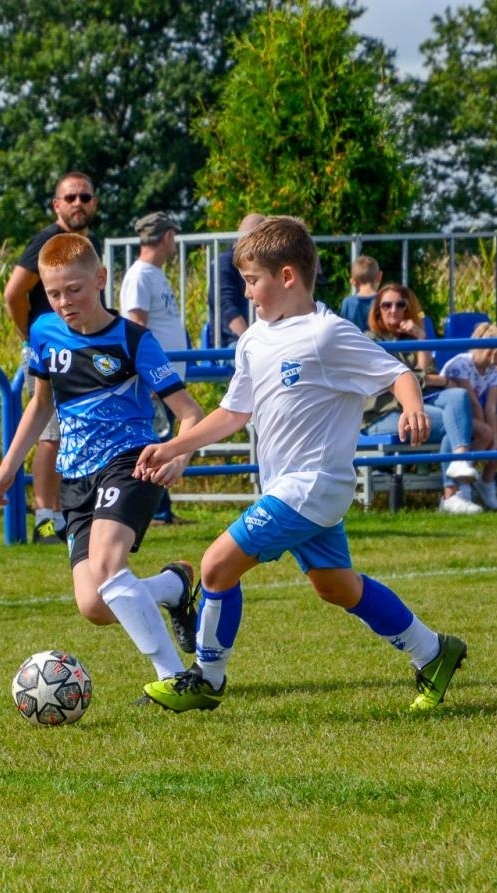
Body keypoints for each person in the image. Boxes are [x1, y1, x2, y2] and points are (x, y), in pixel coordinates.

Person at [135, 216, 467, 714]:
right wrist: (178, 447)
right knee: (335, 586)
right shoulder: (254, 340)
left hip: (312, 485)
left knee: (216, 566)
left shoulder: (325, 334)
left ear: (287, 276)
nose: (248, 293)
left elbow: (395, 373)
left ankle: (207, 678)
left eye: (253, 281)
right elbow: (234, 412)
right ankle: (434, 652)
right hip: (289, 489)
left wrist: (413, 405)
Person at [0, 233, 206, 688]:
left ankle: (176, 679)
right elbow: (42, 403)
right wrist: (7, 469)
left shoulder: (133, 339)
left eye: (75, 289)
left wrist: (179, 455)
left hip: (130, 462)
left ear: (100, 279)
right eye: (54, 292)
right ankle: (174, 587)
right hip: (75, 478)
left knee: (107, 568)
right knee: (96, 605)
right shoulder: (44, 332)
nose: (65, 301)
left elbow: (190, 413)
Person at [3, 171, 101, 544]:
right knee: (51, 435)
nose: (79, 203)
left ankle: (73, 513)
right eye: (71, 197)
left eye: (85, 197)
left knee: (76, 430)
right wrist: (32, 338)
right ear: (56, 205)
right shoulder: (47, 240)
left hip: (83, 350)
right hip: (51, 352)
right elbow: (14, 292)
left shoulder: (84, 244)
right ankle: (45, 519)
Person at [364, 282, 486, 513]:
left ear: (407, 308)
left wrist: (421, 337)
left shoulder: (408, 338)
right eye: (386, 305)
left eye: (400, 304)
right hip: (382, 413)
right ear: (377, 310)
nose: (393, 310)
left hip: (413, 406)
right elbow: (401, 377)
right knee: (458, 423)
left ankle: (459, 463)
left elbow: (425, 371)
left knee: (458, 396)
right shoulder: (369, 339)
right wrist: (439, 380)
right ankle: (451, 495)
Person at [117, 210, 188, 524]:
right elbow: (136, 328)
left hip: (166, 379)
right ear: (167, 237)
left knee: (161, 443)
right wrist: (149, 381)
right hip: (155, 381)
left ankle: (162, 511)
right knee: (155, 444)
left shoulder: (152, 274)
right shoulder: (140, 275)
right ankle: (155, 512)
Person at [439, 323, 497, 511]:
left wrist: (495, 444)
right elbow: (473, 403)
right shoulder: (461, 364)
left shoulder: (494, 373)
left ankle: (486, 481)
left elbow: (491, 407)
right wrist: (489, 436)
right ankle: (462, 486)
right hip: (452, 413)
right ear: (495, 351)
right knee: (483, 432)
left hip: (476, 414)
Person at [204, 213, 265, 348]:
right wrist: (251, 341)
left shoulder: (258, 262)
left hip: (257, 337)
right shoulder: (224, 263)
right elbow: (226, 307)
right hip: (231, 342)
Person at [339, 255, 381, 332]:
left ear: (353, 282)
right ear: (379, 276)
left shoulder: (348, 303)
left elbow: (343, 329)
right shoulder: (383, 301)